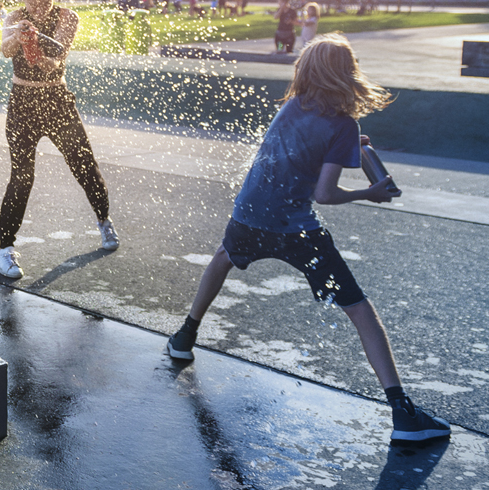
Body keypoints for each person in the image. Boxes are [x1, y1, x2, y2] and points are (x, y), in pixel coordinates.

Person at [165, 34, 451, 445]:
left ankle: (185, 336)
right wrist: (370, 193)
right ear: (346, 74)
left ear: (305, 71)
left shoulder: (291, 108)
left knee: (224, 257)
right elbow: (326, 194)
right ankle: (403, 413)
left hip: (249, 215)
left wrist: (351, 144)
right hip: (296, 231)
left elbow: (298, 150)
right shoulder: (343, 126)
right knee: (358, 308)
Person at [0, 0, 117, 280]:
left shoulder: (68, 17)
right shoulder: (15, 17)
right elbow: (4, 49)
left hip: (56, 101)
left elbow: (57, 56)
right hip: (22, 104)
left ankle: (104, 221)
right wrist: (21, 35)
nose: (41, 3)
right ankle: (4, 250)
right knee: (22, 176)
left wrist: (36, 47)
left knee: (84, 165)